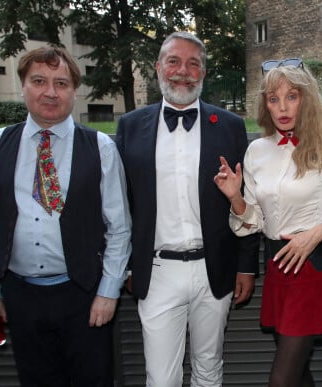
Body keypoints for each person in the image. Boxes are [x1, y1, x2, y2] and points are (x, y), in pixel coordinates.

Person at [0, 46, 132, 386]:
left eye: (61, 83)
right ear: (23, 86)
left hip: (84, 296)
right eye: (39, 81)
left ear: (74, 91)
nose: (50, 92)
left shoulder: (101, 148)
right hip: (20, 295)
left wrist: (108, 290)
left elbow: (119, 229)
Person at [115, 31, 260, 387]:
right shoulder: (130, 127)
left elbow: (248, 199)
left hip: (215, 269)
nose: (183, 71)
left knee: (209, 368)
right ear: (158, 68)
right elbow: (119, 205)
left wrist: (246, 266)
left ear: (204, 74)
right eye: (173, 61)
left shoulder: (230, 126)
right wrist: (125, 266)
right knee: (161, 378)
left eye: (193, 64)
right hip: (157, 270)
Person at [214, 61, 322, 387]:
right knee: (299, 375)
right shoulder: (257, 150)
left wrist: (318, 233)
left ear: (306, 98)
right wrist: (235, 198)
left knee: (282, 381)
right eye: (273, 99)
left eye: (291, 96)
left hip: (310, 267)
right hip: (276, 269)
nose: (282, 107)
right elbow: (253, 221)